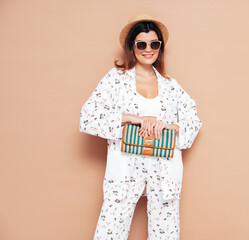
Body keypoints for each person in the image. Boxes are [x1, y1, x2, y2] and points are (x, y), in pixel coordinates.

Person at [79, 13, 202, 240]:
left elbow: (193, 122)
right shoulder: (116, 79)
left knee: (165, 233)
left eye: (154, 43)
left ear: (160, 47)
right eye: (142, 44)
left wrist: (171, 127)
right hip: (126, 167)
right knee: (111, 229)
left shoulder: (170, 85)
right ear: (132, 46)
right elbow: (87, 117)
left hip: (163, 168)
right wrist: (131, 118)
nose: (148, 49)